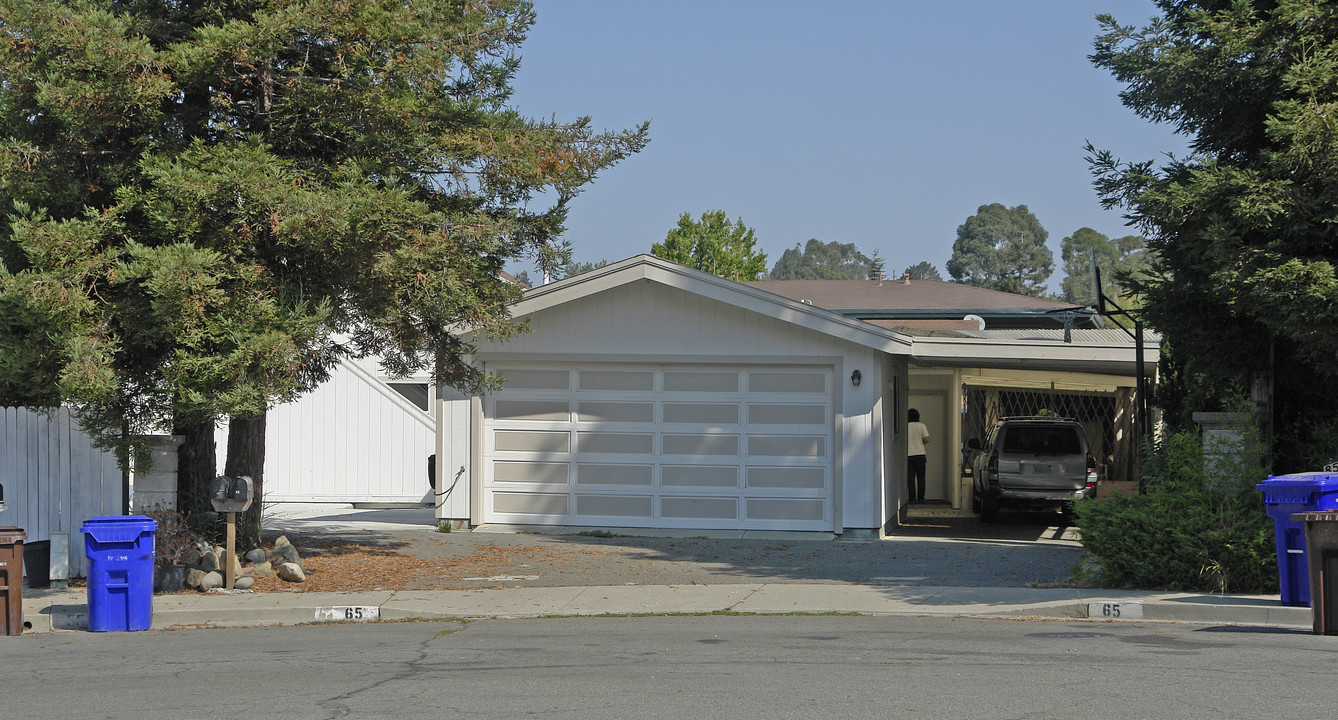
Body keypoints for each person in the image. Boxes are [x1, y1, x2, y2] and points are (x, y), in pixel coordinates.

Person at [907, 408, 930, 503]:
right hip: (920, 454)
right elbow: (927, 439)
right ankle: (921, 497)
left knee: (910, 478)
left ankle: (912, 498)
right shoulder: (921, 426)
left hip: (908, 455)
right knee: (921, 477)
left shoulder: (906, 426)